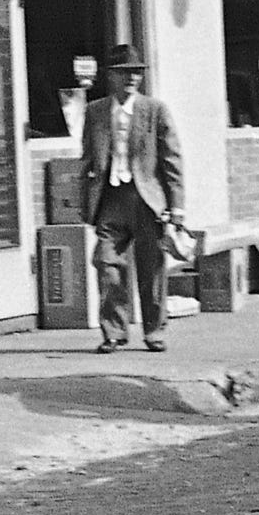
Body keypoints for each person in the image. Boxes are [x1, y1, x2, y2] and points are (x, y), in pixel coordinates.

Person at [78, 43, 186, 353]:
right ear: (110, 76)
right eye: (125, 73)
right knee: (107, 263)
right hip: (110, 199)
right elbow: (86, 161)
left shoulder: (155, 110)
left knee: (151, 269)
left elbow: (172, 160)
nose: (132, 78)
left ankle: (154, 332)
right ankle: (114, 332)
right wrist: (86, 204)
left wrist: (176, 208)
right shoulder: (95, 111)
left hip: (147, 200)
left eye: (137, 73)